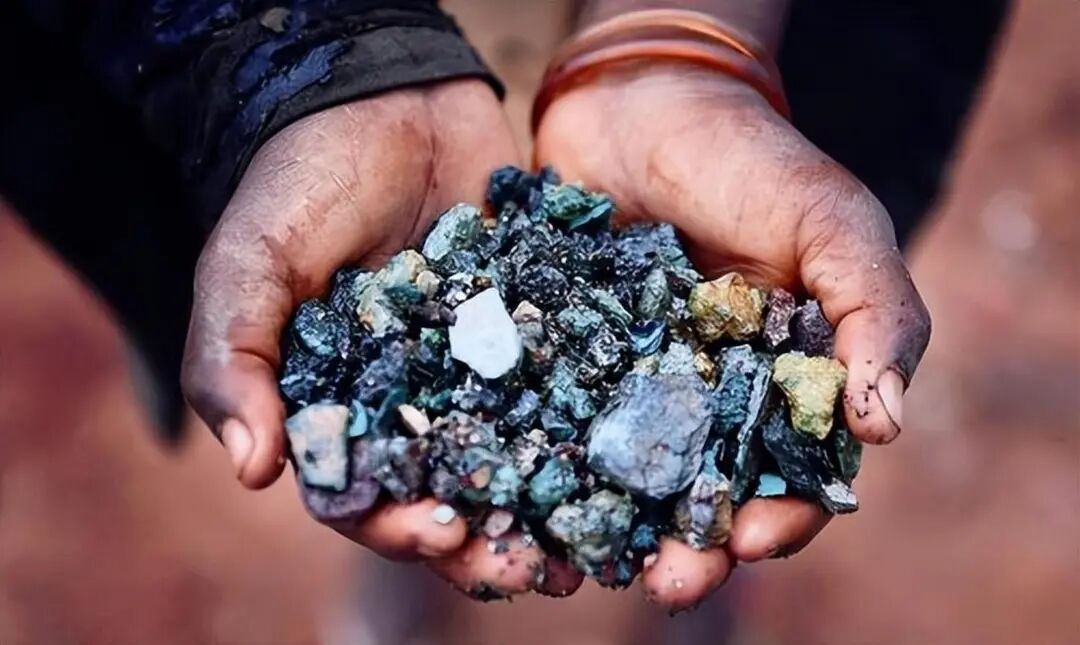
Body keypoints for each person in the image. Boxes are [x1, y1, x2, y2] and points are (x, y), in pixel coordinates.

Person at [0, 0, 1004, 613]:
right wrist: (322, 57)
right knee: (370, 319)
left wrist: (690, 31)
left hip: (787, 38)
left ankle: (696, 503)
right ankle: (433, 497)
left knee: (771, 252)